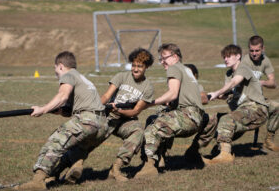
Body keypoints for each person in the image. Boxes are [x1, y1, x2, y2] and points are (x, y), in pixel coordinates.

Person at [14, 51, 108, 190]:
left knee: (55, 141)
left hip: (88, 120)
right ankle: (58, 173)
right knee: (73, 149)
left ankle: (37, 181)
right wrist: (60, 111)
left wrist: (43, 109)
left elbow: (63, 96)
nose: (56, 73)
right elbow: (73, 107)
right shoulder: (82, 78)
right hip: (102, 125)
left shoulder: (68, 75)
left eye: (55, 69)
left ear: (61, 66)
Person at [135, 43, 206, 178]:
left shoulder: (173, 68)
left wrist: (149, 103)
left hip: (187, 116)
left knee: (153, 127)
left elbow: (172, 93)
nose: (162, 62)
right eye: (161, 59)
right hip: (197, 118)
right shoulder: (186, 69)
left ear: (175, 57)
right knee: (158, 118)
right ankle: (160, 158)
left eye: (164, 58)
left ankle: (149, 166)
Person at [206, 44, 269, 164]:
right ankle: (196, 154)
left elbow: (234, 83)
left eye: (229, 56)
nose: (225, 59)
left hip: (257, 110)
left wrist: (217, 92)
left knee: (226, 119)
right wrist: (212, 96)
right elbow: (230, 95)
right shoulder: (229, 73)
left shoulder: (243, 68)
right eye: (224, 57)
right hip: (242, 111)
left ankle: (225, 156)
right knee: (213, 120)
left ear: (238, 56)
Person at [101, 48, 154, 182]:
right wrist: (97, 107)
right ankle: (70, 166)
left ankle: (116, 169)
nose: (135, 69)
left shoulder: (148, 87)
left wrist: (120, 111)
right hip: (108, 117)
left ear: (146, 67)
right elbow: (107, 96)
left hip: (126, 120)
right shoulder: (121, 76)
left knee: (138, 132)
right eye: (133, 65)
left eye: (139, 66)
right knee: (89, 137)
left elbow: (136, 111)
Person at [241, 35, 279, 152]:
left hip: (258, 98)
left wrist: (262, 82)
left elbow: (273, 83)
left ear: (263, 49)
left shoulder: (265, 61)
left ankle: (269, 140)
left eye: (257, 50)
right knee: (242, 125)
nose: (254, 53)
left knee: (277, 107)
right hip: (243, 98)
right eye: (251, 50)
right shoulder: (244, 61)